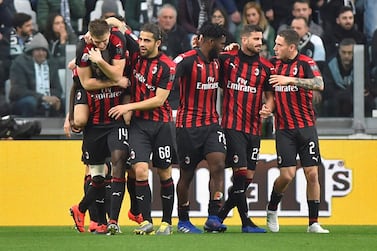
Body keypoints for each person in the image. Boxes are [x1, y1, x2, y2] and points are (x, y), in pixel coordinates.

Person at [108, 23, 176, 236]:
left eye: (147, 40)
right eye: (141, 40)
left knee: (164, 171)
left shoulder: (168, 66)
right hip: (139, 126)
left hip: (162, 124)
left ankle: (166, 222)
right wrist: (115, 23)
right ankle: (146, 221)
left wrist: (128, 106)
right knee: (140, 170)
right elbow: (123, 29)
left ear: (158, 43)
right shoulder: (136, 56)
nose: (142, 44)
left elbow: (159, 99)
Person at [69, 19, 131, 235]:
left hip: (115, 119)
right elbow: (86, 84)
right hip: (95, 122)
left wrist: (102, 62)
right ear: (89, 36)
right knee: (97, 176)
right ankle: (83, 211)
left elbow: (118, 73)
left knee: (118, 161)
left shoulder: (117, 39)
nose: (102, 45)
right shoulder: (82, 47)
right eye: (97, 42)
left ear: (109, 34)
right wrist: (115, 80)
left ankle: (113, 221)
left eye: (104, 41)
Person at [265, 28, 329, 234]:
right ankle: (272, 209)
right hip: (284, 129)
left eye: (279, 45)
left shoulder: (306, 63)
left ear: (292, 47)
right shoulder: (271, 64)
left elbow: (319, 84)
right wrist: (268, 108)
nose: (275, 48)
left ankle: (313, 223)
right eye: (275, 44)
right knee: (287, 176)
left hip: (307, 127)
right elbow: (269, 94)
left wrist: (290, 80)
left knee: (312, 174)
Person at [216, 24, 274, 233]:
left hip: (254, 129)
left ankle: (218, 217)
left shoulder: (266, 67)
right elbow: (209, 60)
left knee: (246, 179)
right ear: (245, 39)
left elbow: (270, 96)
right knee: (239, 174)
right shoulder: (227, 60)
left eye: (261, 39)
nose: (260, 43)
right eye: (256, 39)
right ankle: (246, 222)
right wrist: (224, 50)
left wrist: (269, 108)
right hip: (232, 126)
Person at [174, 22, 227, 233]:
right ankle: (183, 220)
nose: (223, 48)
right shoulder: (186, 61)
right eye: (221, 44)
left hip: (212, 125)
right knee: (187, 174)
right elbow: (167, 76)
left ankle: (213, 216)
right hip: (188, 127)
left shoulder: (217, 61)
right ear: (210, 42)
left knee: (218, 165)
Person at [9, 32, 63, 117]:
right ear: (31, 52)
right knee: (30, 102)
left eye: (44, 50)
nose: (41, 53)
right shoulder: (20, 63)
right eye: (37, 50)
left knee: (63, 102)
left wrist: (54, 98)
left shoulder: (51, 64)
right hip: (23, 101)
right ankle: (26, 128)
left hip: (46, 99)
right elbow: (18, 91)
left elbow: (58, 89)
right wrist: (42, 97)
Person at [322, 38, 375, 117]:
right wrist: (349, 93)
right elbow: (329, 89)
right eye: (344, 52)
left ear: (355, 53)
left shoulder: (362, 63)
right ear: (339, 52)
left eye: (350, 53)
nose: (346, 56)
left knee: (368, 100)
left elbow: (366, 85)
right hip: (337, 99)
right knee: (330, 103)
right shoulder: (330, 65)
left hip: (357, 99)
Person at [157, 3, 191, 110]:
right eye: (165, 17)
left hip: (175, 75)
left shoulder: (182, 34)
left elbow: (186, 56)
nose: (168, 20)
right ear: (158, 18)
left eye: (170, 18)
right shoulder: (152, 32)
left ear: (175, 19)